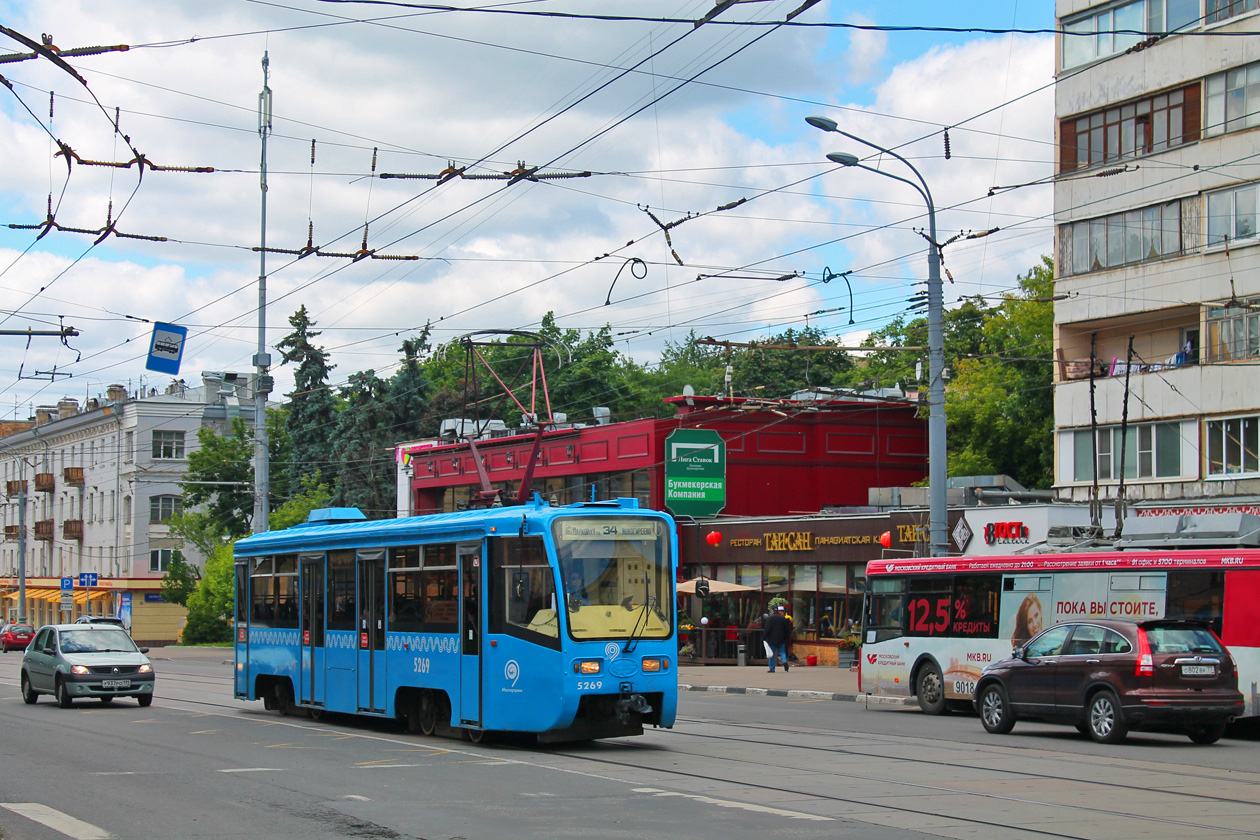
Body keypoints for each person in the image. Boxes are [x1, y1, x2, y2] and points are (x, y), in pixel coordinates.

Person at [763, 606, 791, 672]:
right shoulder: (782, 618)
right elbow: (787, 629)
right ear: (778, 611)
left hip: (771, 639)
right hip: (781, 639)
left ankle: (772, 668)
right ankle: (784, 660)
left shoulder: (770, 618)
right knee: (782, 652)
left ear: (772, 611)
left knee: (771, 654)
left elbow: (767, 629)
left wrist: (764, 637)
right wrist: (786, 637)